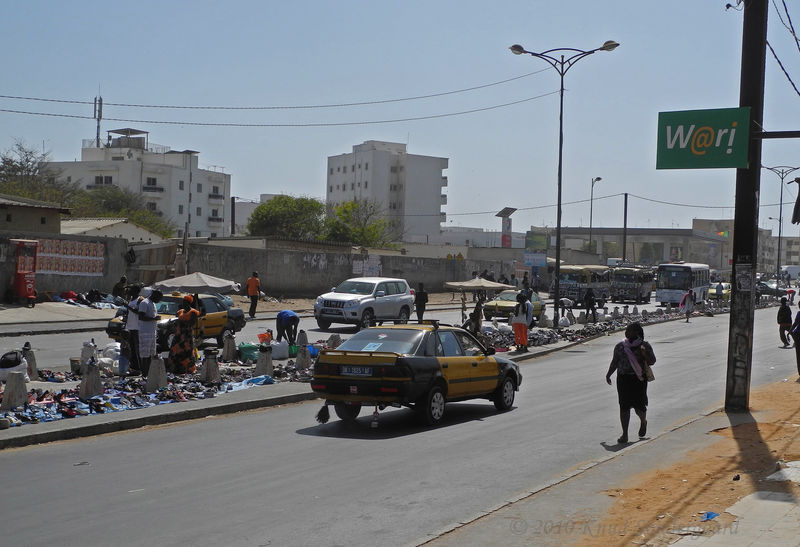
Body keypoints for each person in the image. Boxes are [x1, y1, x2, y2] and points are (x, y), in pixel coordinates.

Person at [605, 322, 656, 444]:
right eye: (626, 330)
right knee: (624, 406)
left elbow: (652, 361)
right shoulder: (620, 346)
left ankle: (643, 421)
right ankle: (625, 434)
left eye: (630, 331)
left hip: (638, 379)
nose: (627, 333)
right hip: (623, 379)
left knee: (639, 406)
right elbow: (615, 362)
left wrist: (644, 354)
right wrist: (608, 374)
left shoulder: (644, 346)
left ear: (637, 333)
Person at [168, 295, 201, 374]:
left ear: (188, 303)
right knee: (175, 351)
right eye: (183, 302)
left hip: (187, 336)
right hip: (178, 335)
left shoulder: (193, 312)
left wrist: (181, 322)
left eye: (185, 302)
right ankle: (176, 368)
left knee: (187, 352)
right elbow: (176, 320)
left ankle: (188, 369)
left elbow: (192, 323)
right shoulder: (180, 312)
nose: (183, 303)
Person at [137, 289, 163, 378]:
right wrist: (154, 319)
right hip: (145, 332)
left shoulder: (153, 303)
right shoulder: (145, 303)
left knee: (152, 354)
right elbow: (141, 316)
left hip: (152, 332)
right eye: (159, 298)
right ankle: (144, 374)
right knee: (145, 355)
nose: (159, 300)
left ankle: (149, 373)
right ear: (154, 295)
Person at [123, 285, 142, 374]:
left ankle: (139, 368)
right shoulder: (131, 299)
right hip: (130, 327)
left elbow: (138, 312)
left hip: (136, 327)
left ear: (135, 291)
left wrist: (127, 306)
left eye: (131, 289)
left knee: (137, 349)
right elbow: (129, 312)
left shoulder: (139, 300)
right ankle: (133, 367)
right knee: (131, 349)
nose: (129, 290)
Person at [790, 302, 800, 377]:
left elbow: (795, 323)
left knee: (798, 354)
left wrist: (790, 331)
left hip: (797, 334)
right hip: (797, 334)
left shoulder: (799, 313)